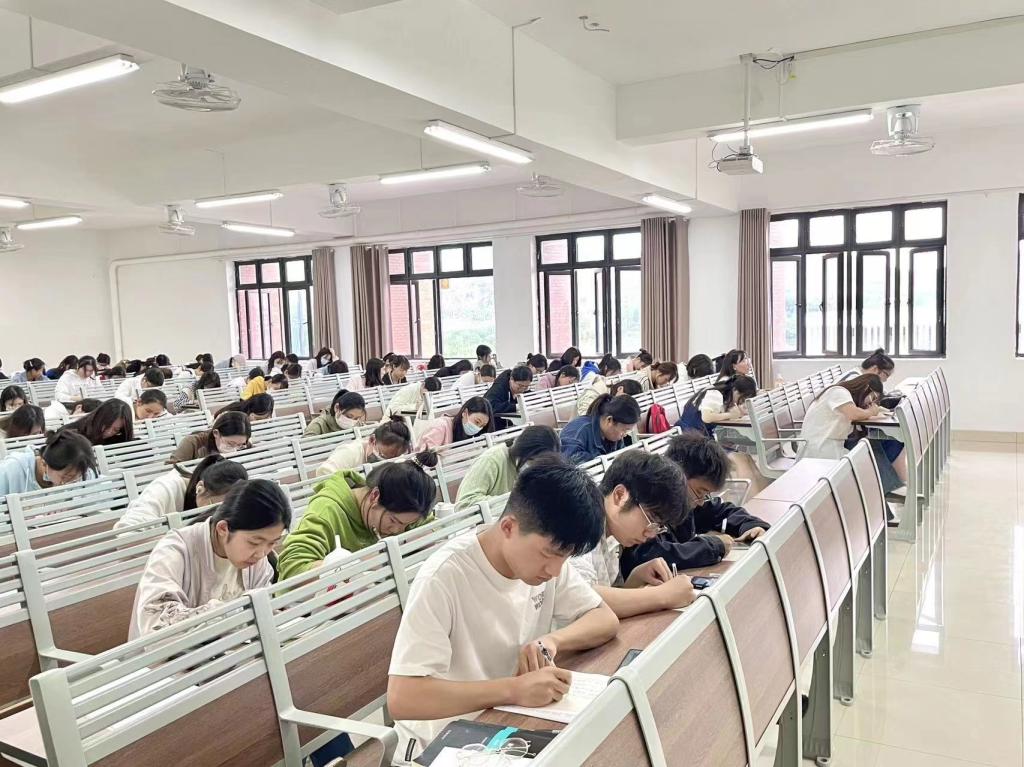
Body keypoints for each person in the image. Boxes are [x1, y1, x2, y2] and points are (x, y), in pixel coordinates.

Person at [386, 454, 618, 762]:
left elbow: (604, 619)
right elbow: (403, 698)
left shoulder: (543, 562)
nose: (555, 571)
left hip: (505, 724)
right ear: (508, 527)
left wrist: (552, 640)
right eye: (549, 554)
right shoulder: (445, 576)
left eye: (565, 557)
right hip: (442, 743)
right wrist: (513, 689)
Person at [129, 479, 291, 640]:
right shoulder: (174, 550)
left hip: (234, 651)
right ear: (223, 529)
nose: (261, 553)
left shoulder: (256, 559)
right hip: (171, 654)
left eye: (272, 543)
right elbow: (157, 625)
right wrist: (232, 613)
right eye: (254, 542)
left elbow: (263, 610)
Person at [620, 433, 770, 578]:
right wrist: (712, 547)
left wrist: (751, 526)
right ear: (678, 476)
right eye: (700, 492)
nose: (701, 501)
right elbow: (647, 555)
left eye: (706, 494)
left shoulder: (690, 502)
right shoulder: (650, 505)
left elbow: (720, 511)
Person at [277, 451, 439, 579]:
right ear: (375, 496)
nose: (397, 530)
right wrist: (352, 564)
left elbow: (431, 530)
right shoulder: (327, 510)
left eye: (406, 525)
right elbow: (292, 568)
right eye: (393, 521)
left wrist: (405, 542)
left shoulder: (404, 509)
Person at [572, 450, 695, 617]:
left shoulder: (612, 536)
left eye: (658, 527)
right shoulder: (579, 525)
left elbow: (608, 597)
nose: (651, 534)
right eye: (651, 519)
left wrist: (635, 578)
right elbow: (580, 598)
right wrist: (663, 596)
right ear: (620, 495)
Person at [800, 374, 906, 502]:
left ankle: (888, 490)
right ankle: (887, 492)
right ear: (866, 387)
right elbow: (854, 414)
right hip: (821, 448)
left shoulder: (846, 397)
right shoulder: (838, 392)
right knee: (868, 451)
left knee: (875, 446)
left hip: (831, 444)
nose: (871, 403)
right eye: (872, 397)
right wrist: (872, 412)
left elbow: (859, 418)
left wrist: (874, 412)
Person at [116, 456, 249, 530]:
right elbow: (127, 531)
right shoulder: (165, 488)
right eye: (213, 506)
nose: (217, 514)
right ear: (200, 488)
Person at [454, 425, 559, 510]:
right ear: (524, 451)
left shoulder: (538, 468)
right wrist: (517, 502)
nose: (535, 468)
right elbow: (464, 503)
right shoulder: (492, 460)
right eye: (532, 461)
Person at [0, 429, 97, 495]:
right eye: (66, 477)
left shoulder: (83, 472)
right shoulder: (9, 471)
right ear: (44, 463)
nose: (69, 483)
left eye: (76, 478)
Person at [316, 417, 413, 477]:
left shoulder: (398, 458)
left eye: (392, 458)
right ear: (372, 440)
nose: (385, 461)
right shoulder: (351, 452)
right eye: (382, 455)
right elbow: (324, 471)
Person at [560, 393, 641, 464]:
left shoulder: (614, 435)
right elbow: (569, 464)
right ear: (609, 420)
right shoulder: (577, 432)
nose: (625, 435)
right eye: (624, 430)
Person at [677, 375, 757, 437]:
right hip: (690, 435)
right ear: (735, 390)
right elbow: (707, 417)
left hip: (699, 434)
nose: (741, 402)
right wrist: (731, 415)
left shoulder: (725, 395)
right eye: (742, 398)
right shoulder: (716, 394)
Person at [168, 411, 252, 464]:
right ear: (216, 433)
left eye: (240, 445)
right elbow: (171, 469)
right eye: (230, 444)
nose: (235, 450)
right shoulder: (193, 443)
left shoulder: (243, 444)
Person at [415, 396, 494, 451]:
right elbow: (425, 457)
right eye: (477, 422)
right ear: (465, 413)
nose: (478, 428)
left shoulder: (466, 434)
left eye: (482, 426)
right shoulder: (440, 427)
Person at [62, 399, 135, 445]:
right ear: (99, 417)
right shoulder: (68, 434)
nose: (109, 432)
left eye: (116, 430)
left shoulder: (116, 438)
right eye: (106, 425)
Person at [575, 376, 642, 417]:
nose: (625, 402)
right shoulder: (595, 391)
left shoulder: (613, 399)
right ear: (620, 389)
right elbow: (583, 415)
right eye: (626, 398)